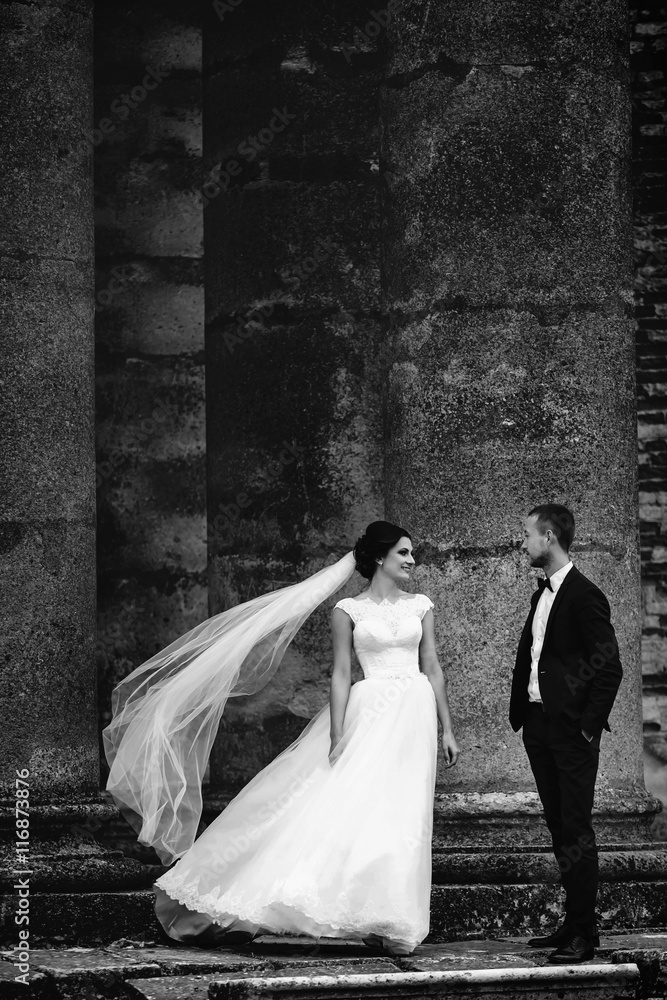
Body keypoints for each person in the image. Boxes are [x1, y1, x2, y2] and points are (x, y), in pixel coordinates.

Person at [104, 521, 459, 955]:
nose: (411, 560)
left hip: (414, 712)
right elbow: (342, 673)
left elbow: (433, 666)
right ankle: (302, 898)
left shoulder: (422, 605)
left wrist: (447, 727)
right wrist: (336, 731)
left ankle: (391, 918)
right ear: (380, 558)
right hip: (370, 711)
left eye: (411, 553)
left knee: (403, 812)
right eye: (403, 552)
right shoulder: (348, 609)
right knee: (345, 802)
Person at [509, 504, 623, 964]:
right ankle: (572, 923)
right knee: (559, 827)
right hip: (538, 726)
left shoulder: (584, 595)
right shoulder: (542, 595)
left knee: (575, 829)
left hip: (571, 734)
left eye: (527, 535)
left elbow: (609, 667)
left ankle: (585, 934)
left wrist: (587, 728)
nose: (523, 543)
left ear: (549, 536)